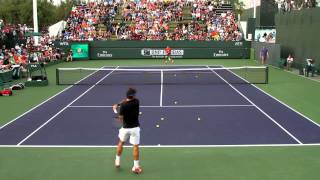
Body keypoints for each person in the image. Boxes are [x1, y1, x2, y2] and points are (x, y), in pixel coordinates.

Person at [112, 88, 142, 174]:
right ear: (133, 96)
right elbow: (127, 100)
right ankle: (136, 167)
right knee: (135, 147)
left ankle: (117, 161)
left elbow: (120, 118)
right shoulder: (137, 102)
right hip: (135, 128)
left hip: (125, 128)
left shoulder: (123, 106)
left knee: (121, 142)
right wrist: (118, 104)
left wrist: (117, 106)